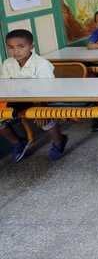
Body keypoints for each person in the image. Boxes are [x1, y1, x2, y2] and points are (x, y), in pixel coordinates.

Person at [0, 29, 68, 162]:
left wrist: (40, 106)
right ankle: (17, 142)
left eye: (21, 46)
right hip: (17, 98)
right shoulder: (8, 63)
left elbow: (47, 90)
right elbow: (6, 86)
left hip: (41, 98)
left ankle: (59, 141)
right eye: (11, 48)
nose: (16, 51)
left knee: (42, 116)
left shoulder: (42, 64)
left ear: (31, 46)